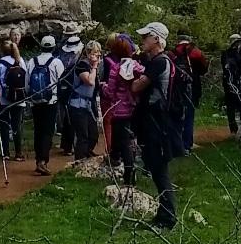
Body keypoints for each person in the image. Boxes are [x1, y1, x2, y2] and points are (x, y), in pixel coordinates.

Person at [131, 22, 179, 229]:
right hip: (158, 122)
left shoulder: (158, 62)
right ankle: (163, 214)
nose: (143, 40)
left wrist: (129, 74)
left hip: (156, 124)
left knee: (159, 171)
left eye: (146, 37)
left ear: (157, 39)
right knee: (157, 169)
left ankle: (167, 218)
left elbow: (136, 87)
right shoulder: (161, 61)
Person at [23, 35, 65, 175]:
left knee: (38, 130)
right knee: (48, 131)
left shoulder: (32, 61)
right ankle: (43, 161)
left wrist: (30, 96)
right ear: (53, 47)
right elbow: (61, 81)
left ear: (41, 46)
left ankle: (38, 160)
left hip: (35, 101)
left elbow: (27, 83)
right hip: (50, 101)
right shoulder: (56, 62)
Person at [101, 34, 140, 184]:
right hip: (135, 109)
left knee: (124, 142)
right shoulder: (137, 66)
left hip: (119, 111)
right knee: (129, 140)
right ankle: (116, 157)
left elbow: (110, 93)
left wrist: (103, 87)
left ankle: (129, 174)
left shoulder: (115, 69)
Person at [169, 35, 207, 156]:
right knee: (189, 116)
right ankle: (187, 145)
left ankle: (176, 145)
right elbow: (204, 69)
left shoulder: (172, 53)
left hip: (176, 89)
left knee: (176, 116)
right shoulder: (196, 52)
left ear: (178, 41)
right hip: (193, 86)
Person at [65, 40, 102, 159]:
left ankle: (87, 153)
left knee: (93, 134)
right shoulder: (82, 65)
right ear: (88, 53)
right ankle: (80, 159)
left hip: (88, 104)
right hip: (77, 104)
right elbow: (89, 81)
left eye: (99, 53)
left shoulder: (90, 66)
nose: (97, 55)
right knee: (83, 135)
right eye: (95, 52)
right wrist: (95, 67)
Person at [0, 36, 28, 162]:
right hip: (19, 98)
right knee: (16, 125)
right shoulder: (20, 61)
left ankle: (5, 153)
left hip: (4, 100)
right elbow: (25, 77)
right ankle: (18, 153)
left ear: (2, 51)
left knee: (4, 125)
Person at [55, 32, 84, 151]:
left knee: (66, 116)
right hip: (73, 88)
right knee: (71, 116)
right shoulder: (76, 58)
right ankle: (71, 145)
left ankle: (66, 144)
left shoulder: (62, 57)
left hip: (63, 87)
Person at [222, 32, 241, 136]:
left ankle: (237, 129)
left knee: (235, 107)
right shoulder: (229, 54)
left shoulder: (228, 53)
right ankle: (234, 129)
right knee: (233, 107)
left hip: (233, 82)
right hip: (232, 83)